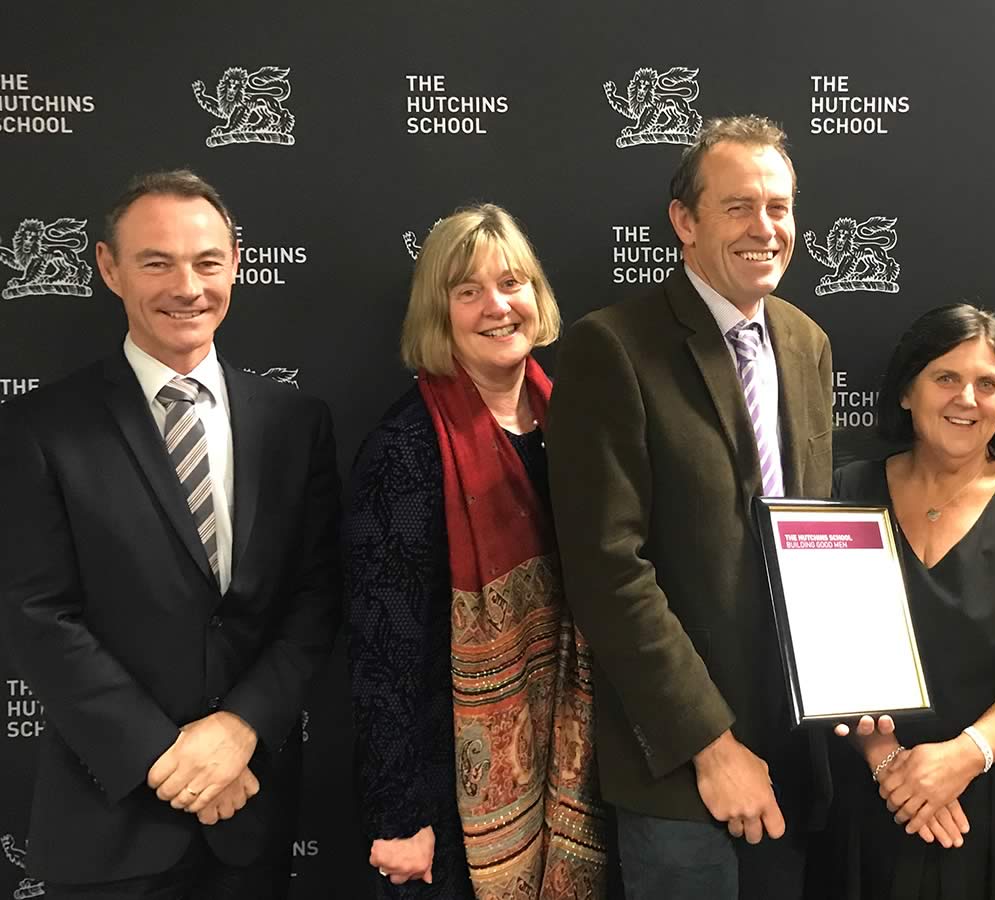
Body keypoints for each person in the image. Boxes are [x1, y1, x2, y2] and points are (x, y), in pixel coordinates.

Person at [0, 169, 341, 897]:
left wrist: (241, 729)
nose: (187, 285)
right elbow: (36, 615)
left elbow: (316, 599)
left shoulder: (294, 423)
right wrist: (167, 759)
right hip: (109, 821)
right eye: (157, 262)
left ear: (237, 265)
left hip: (252, 816)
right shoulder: (40, 430)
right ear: (108, 268)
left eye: (207, 261)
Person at [544, 115, 834, 900]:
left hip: (796, 749)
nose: (765, 228)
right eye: (739, 205)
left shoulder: (806, 342)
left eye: (780, 206)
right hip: (679, 761)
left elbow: (811, 532)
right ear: (685, 220)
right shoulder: (613, 347)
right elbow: (609, 572)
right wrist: (712, 744)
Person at [343, 203, 604, 898]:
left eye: (512, 283)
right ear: (439, 312)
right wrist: (400, 815)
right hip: (449, 793)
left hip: (576, 777)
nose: (498, 306)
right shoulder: (403, 453)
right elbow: (382, 652)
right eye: (468, 291)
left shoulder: (574, 426)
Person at [824, 304, 995, 900]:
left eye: (987, 383)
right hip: (878, 799)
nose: (967, 399)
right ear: (907, 389)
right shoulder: (848, 491)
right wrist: (889, 764)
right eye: (946, 378)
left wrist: (963, 757)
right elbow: (824, 643)